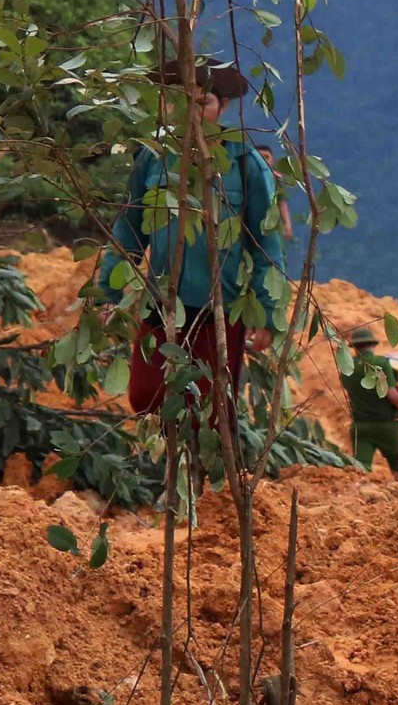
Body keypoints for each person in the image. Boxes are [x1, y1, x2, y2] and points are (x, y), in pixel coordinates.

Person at [98, 57, 284, 439]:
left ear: (222, 108)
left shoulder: (245, 164)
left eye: (204, 104)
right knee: (146, 395)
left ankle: (200, 485)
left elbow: (266, 244)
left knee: (210, 410)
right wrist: (108, 292)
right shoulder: (153, 159)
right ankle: (166, 469)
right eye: (184, 101)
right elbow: (129, 230)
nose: (193, 112)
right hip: (162, 301)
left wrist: (267, 312)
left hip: (219, 308)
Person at [340, 324, 398, 475]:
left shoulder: (346, 368)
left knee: (361, 467)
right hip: (385, 426)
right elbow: (391, 393)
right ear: (374, 344)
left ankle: (357, 496)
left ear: (354, 346)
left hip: (359, 427)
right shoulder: (381, 364)